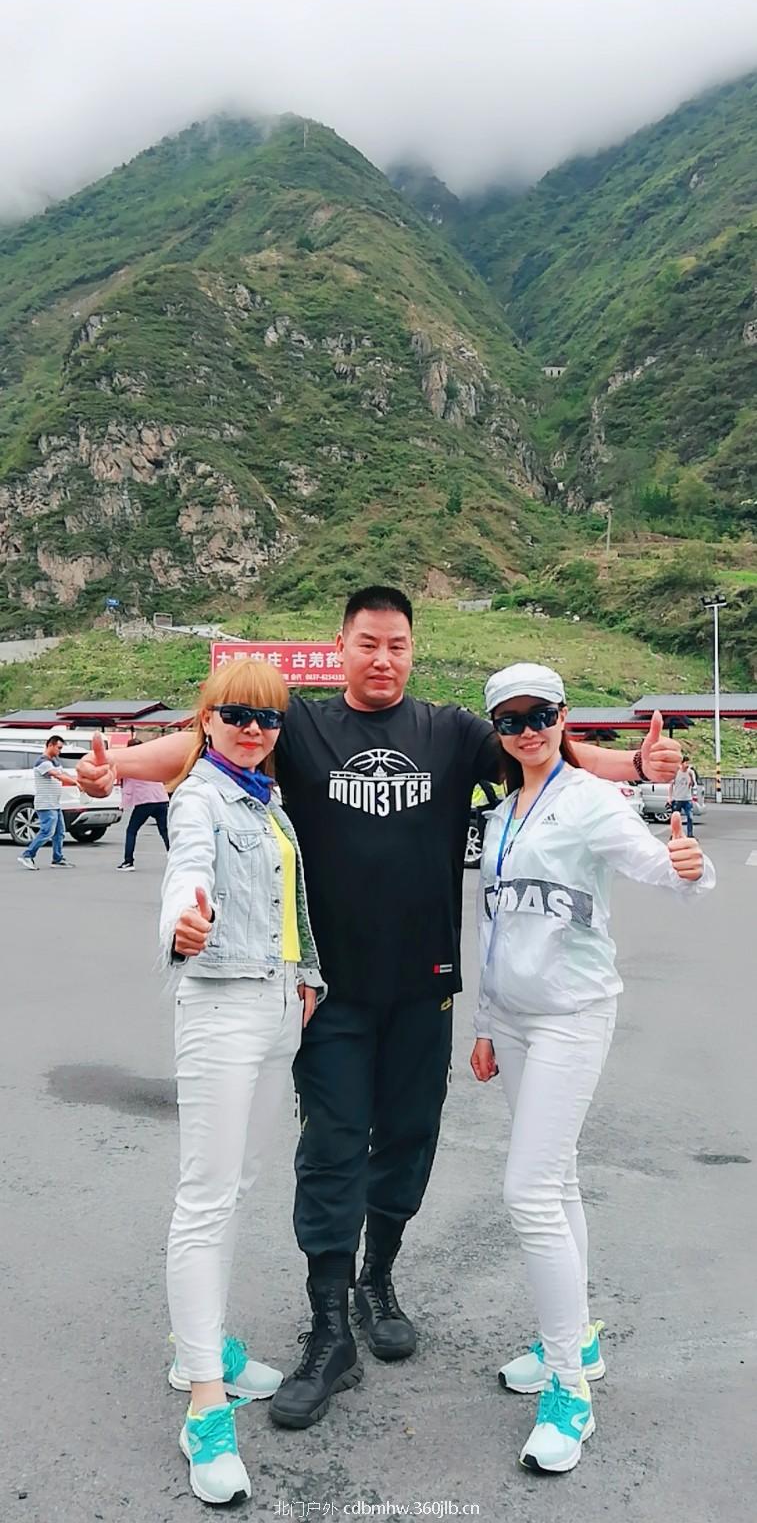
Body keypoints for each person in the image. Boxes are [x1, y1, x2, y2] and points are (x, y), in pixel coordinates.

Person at [77, 587, 684, 1430]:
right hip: (329, 993)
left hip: (423, 987)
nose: (382, 658)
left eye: (396, 644)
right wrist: (118, 764)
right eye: (367, 643)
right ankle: (328, 1326)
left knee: (406, 1140)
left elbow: (544, 751)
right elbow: (203, 739)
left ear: (411, 649)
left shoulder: (450, 732)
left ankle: (378, 1279)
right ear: (340, 646)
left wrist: (639, 769)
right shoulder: (302, 725)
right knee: (331, 1149)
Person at [470, 663, 714, 1475]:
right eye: (509, 721)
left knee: (528, 1192)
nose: (526, 731)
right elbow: (493, 924)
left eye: (538, 714)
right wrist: (484, 1024)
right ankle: (571, 1342)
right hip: (512, 1021)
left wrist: (689, 867)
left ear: (562, 716)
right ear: (497, 732)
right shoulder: (500, 813)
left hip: (572, 1015)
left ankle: (568, 1391)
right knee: (559, 1180)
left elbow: (661, 868)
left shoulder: (589, 800)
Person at [159, 659, 326, 1505]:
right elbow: (186, 874)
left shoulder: (268, 802)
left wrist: (306, 977)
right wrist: (182, 924)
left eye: (268, 719)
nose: (254, 730)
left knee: (240, 1185)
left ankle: (208, 1343)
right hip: (221, 1002)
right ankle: (203, 1404)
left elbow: (290, 906)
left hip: (274, 1006)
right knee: (205, 1197)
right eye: (236, 715)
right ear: (207, 720)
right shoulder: (200, 797)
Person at [17, 734, 79, 870]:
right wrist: (76, 783)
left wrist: (79, 781)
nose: (60, 751)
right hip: (45, 804)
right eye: (58, 748)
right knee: (47, 832)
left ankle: (57, 859)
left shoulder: (55, 762)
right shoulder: (43, 762)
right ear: (50, 745)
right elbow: (58, 775)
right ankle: (27, 855)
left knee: (59, 833)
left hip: (54, 803)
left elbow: (64, 774)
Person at [117, 740, 170, 869]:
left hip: (145, 800)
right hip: (161, 798)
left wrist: (123, 805)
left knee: (131, 830)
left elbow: (127, 786)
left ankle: (128, 861)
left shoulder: (129, 764)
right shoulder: (152, 760)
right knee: (165, 831)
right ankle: (175, 858)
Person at [669, 753, 696, 838]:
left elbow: (692, 785)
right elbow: (671, 785)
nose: (687, 765)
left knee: (690, 817)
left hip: (687, 799)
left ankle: (690, 835)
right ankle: (674, 835)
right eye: (686, 763)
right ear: (682, 763)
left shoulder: (691, 772)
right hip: (677, 798)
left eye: (689, 763)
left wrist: (691, 777)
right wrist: (670, 797)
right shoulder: (677, 772)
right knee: (675, 819)